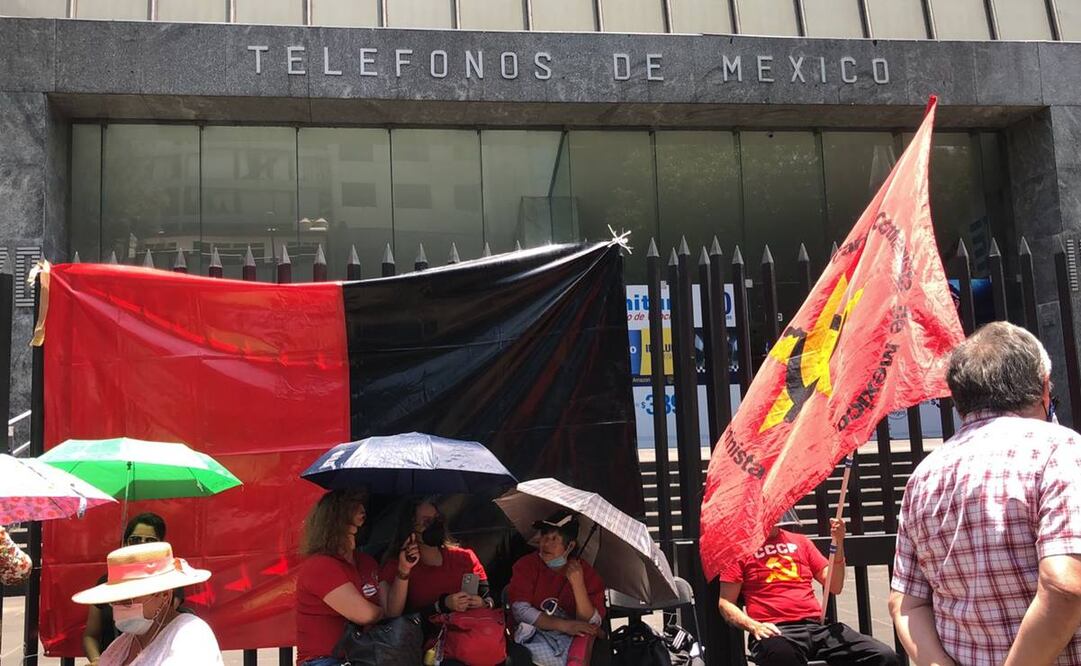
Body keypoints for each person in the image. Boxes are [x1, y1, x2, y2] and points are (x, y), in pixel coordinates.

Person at [889, 321, 1081, 666]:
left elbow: (905, 601)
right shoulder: (1063, 450)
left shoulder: (923, 475)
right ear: (1043, 388)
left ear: (959, 401)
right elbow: (1065, 586)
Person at [717, 509, 899, 666]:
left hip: (816, 626)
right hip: (775, 629)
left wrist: (839, 542)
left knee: (883, 656)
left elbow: (834, 585)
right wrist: (754, 626)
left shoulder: (801, 541)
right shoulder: (739, 550)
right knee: (783, 657)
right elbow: (725, 603)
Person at [71, 541, 222, 665]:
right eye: (114, 601)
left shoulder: (191, 635)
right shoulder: (124, 643)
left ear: (164, 595)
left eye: (127, 600)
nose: (119, 607)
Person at [296, 489, 384, 666]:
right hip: (325, 660)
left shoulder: (366, 562)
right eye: (352, 506)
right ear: (335, 518)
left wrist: (403, 573)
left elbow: (390, 608)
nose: (362, 510)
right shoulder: (320, 566)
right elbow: (365, 614)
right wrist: (383, 614)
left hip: (362, 656)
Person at [506, 510, 605, 666]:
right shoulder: (526, 565)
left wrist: (578, 585)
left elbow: (592, 622)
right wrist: (564, 625)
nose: (545, 543)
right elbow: (520, 610)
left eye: (553, 538)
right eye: (544, 536)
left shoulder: (586, 573)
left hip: (573, 638)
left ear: (570, 546)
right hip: (534, 635)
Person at [84, 513, 172, 665]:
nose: (141, 545)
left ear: (165, 595)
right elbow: (90, 635)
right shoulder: (107, 582)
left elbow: (156, 627)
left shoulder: (169, 584)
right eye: (135, 540)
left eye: (150, 541)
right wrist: (98, 660)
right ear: (125, 543)